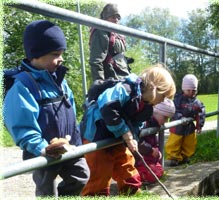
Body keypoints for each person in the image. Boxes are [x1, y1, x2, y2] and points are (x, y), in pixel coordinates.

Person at [3, 20, 90, 196]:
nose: (61, 58)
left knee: (81, 175)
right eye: (56, 54)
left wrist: (75, 138)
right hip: (43, 152)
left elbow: (70, 110)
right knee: (46, 190)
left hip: (68, 146)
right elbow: (22, 125)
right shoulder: (24, 86)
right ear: (36, 55)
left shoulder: (60, 81)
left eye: (62, 53)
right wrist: (43, 148)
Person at [80, 64, 176, 196]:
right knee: (101, 175)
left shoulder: (146, 106)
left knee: (128, 169)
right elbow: (108, 109)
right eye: (164, 96)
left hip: (117, 139)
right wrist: (126, 134)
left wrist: (134, 138)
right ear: (155, 88)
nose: (162, 101)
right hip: (97, 136)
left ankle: (133, 194)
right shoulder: (125, 89)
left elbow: (136, 125)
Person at [165, 74, 206, 167]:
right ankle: (173, 158)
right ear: (183, 89)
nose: (191, 92)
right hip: (177, 126)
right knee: (174, 142)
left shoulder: (197, 102)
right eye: (189, 90)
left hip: (189, 127)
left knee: (189, 143)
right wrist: (180, 118)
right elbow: (173, 110)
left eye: (194, 90)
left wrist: (199, 125)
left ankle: (185, 156)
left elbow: (201, 113)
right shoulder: (178, 99)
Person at [135, 98, 175, 184]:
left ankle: (144, 174)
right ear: (155, 112)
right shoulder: (145, 124)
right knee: (153, 173)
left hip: (148, 159)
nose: (165, 122)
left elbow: (152, 142)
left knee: (159, 170)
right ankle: (138, 175)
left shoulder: (154, 125)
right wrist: (151, 150)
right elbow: (139, 143)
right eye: (165, 118)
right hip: (140, 160)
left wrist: (157, 153)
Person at [89, 3, 132, 82]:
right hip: (111, 81)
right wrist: (100, 84)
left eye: (118, 18)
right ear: (105, 18)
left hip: (122, 77)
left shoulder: (117, 34)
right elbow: (96, 62)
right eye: (113, 17)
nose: (116, 20)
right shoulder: (100, 32)